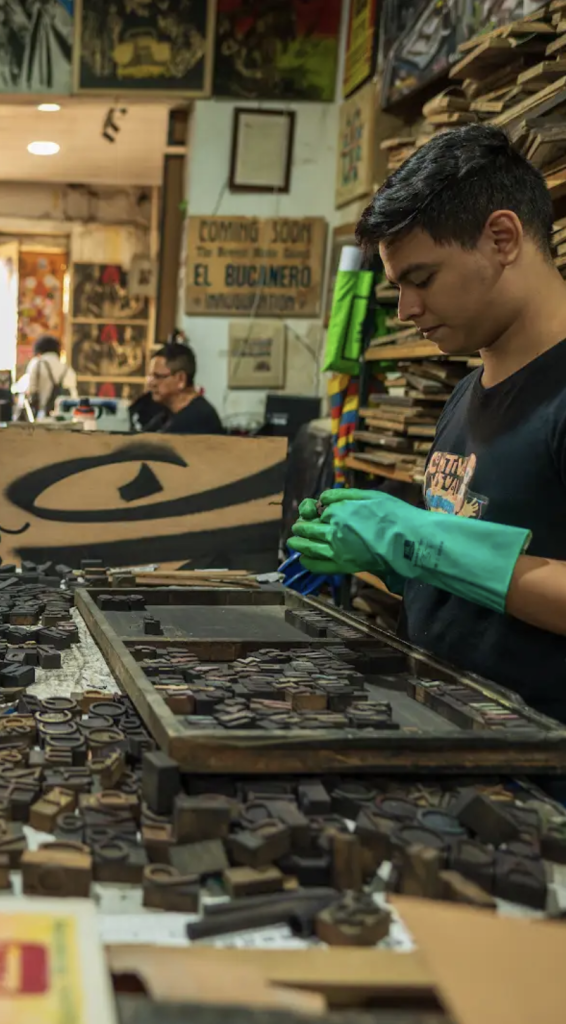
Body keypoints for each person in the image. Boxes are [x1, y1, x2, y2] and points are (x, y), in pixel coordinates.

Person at [289, 124, 566, 725]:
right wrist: (386, 557)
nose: (407, 308)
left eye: (421, 279)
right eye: (397, 287)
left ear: (501, 238)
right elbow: (467, 569)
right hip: (446, 741)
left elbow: (454, 552)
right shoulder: (464, 395)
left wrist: (417, 540)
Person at [143, 341, 223, 434]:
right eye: (150, 376)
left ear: (181, 379)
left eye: (158, 376)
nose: (151, 383)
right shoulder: (166, 415)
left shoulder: (198, 418)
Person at [25, 334, 78, 417]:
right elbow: (73, 397)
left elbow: (30, 391)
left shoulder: (36, 364)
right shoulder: (68, 369)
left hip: (41, 416)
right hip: (64, 417)